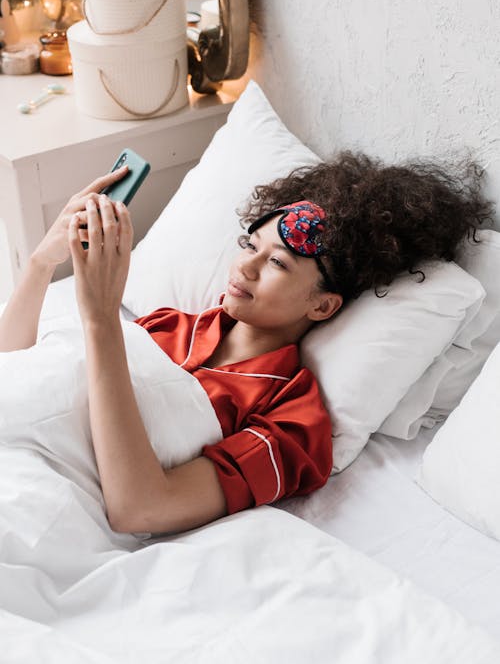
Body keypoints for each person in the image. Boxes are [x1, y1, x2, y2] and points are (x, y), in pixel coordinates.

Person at [0, 152, 492, 537]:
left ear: (322, 306)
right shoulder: (168, 326)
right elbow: (17, 375)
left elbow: (142, 507)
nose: (246, 268)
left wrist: (101, 319)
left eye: (277, 264)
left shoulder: (295, 423)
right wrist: (43, 263)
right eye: (250, 246)